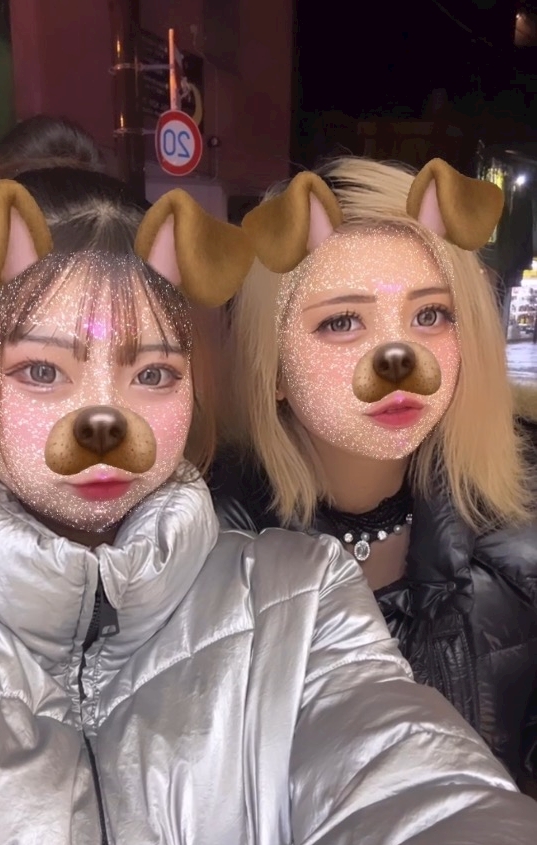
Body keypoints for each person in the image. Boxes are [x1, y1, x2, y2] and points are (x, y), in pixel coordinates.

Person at [0, 166, 537, 845]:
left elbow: (413, 798)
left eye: (153, 373)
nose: (398, 357)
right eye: (41, 371)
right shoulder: (253, 530)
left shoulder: (293, 596)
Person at [210, 156, 537, 792]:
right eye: (341, 321)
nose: (397, 355)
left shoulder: (519, 548)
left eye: (429, 315)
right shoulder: (203, 554)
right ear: (272, 367)